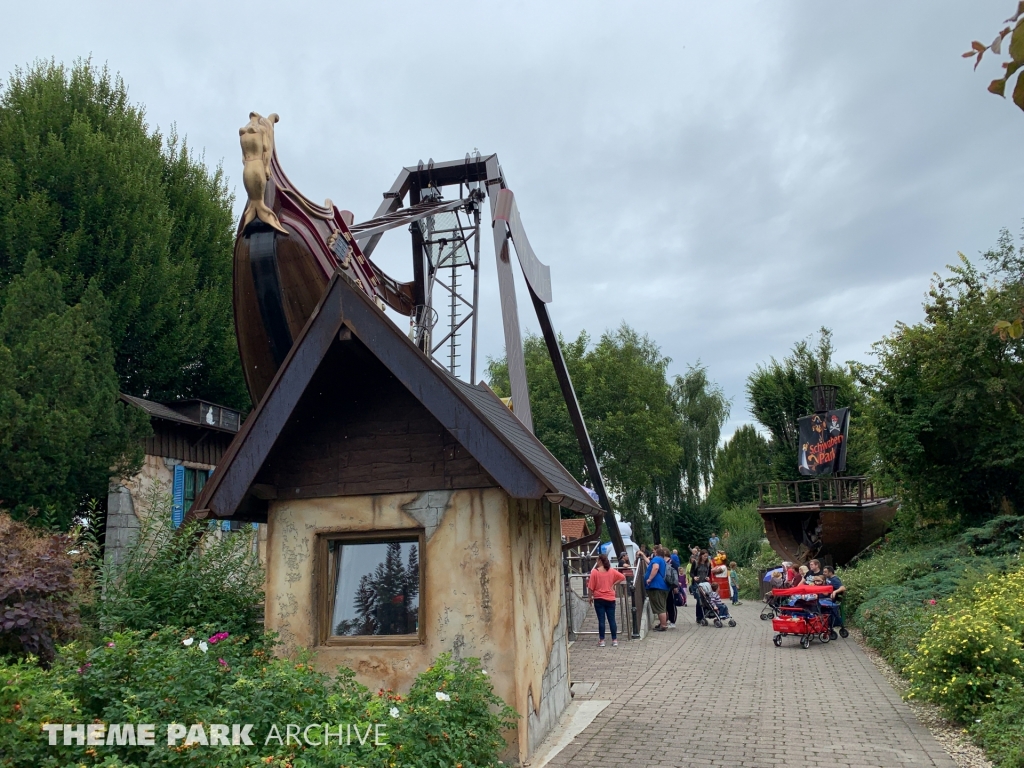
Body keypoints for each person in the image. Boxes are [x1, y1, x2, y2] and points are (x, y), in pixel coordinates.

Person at [589, 553, 626, 647]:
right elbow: (622, 577)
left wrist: (590, 597)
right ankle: (614, 640)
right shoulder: (611, 571)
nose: (596, 562)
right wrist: (614, 584)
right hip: (610, 598)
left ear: (600, 561)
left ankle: (602, 640)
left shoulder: (594, 572)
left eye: (597, 560)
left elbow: (590, 587)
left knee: (601, 620)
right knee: (612, 620)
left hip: (599, 598)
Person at [642, 547, 669, 631]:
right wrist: (643, 555)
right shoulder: (662, 560)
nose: (652, 553)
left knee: (660, 607)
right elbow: (650, 562)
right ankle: (662, 623)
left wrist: (649, 578)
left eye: (653, 552)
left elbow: (655, 567)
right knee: (662, 606)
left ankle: (663, 625)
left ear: (656, 553)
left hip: (657, 586)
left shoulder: (657, 559)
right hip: (663, 587)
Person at [689, 550, 712, 623]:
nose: (705, 558)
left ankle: (703, 615)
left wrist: (708, 577)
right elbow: (691, 573)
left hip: (704, 584)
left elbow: (709, 573)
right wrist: (694, 577)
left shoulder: (708, 564)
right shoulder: (695, 563)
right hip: (697, 584)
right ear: (701, 555)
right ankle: (699, 617)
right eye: (704, 556)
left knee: (705, 599)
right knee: (699, 600)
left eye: (706, 556)